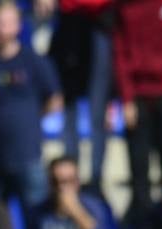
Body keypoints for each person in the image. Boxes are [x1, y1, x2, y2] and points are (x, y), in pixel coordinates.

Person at [0, 1, 61, 210]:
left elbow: (54, 100)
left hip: (28, 156)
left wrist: (28, 120)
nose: (0, 29)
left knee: (36, 218)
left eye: (5, 23)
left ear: (18, 26)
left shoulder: (33, 61)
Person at [112, 0, 162, 229]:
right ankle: (143, 228)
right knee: (139, 167)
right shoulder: (126, 7)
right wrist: (126, 98)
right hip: (138, 95)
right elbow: (120, 53)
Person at [45, 0, 114, 192]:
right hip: (69, 22)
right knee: (69, 110)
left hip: (101, 21)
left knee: (98, 114)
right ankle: (69, 177)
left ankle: (96, 181)